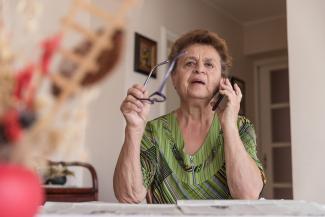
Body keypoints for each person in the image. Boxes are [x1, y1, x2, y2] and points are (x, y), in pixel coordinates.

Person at [113, 29, 265, 204]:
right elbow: (128, 196)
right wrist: (133, 129)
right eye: (190, 63)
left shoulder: (241, 127)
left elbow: (248, 194)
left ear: (223, 80)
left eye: (209, 64)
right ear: (174, 77)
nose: (199, 69)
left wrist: (229, 125)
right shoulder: (153, 132)